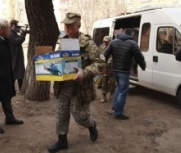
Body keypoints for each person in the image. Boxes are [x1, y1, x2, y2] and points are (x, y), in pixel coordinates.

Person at [48, 12, 105, 153]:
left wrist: (84, 72)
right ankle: (62, 141)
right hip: (63, 86)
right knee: (61, 113)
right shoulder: (63, 41)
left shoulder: (88, 43)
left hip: (81, 87)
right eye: (65, 24)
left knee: (80, 116)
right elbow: (58, 59)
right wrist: (47, 66)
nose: (66, 27)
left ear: (78, 25)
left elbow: (100, 63)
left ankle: (91, 125)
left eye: (70, 24)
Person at [104, 28, 146, 120]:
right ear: (131, 34)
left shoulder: (114, 42)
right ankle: (118, 113)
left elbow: (105, 54)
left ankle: (115, 107)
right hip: (124, 71)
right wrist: (143, 66)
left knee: (119, 88)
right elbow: (139, 57)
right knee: (123, 91)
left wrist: (105, 65)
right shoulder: (133, 44)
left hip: (115, 70)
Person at [8, 19, 26, 91]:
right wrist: (22, 34)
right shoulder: (10, 34)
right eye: (16, 26)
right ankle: (11, 89)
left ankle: (20, 89)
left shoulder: (13, 33)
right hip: (14, 58)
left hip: (17, 57)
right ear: (13, 26)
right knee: (14, 75)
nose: (17, 28)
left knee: (20, 75)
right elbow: (18, 41)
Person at [99, 36, 116, 103]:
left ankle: (112, 95)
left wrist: (108, 64)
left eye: (107, 41)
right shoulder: (101, 47)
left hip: (111, 68)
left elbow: (113, 58)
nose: (105, 42)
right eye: (104, 41)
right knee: (104, 83)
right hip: (104, 68)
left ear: (110, 41)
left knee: (112, 82)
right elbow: (99, 55)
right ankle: (104, 97)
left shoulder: (114, 47)